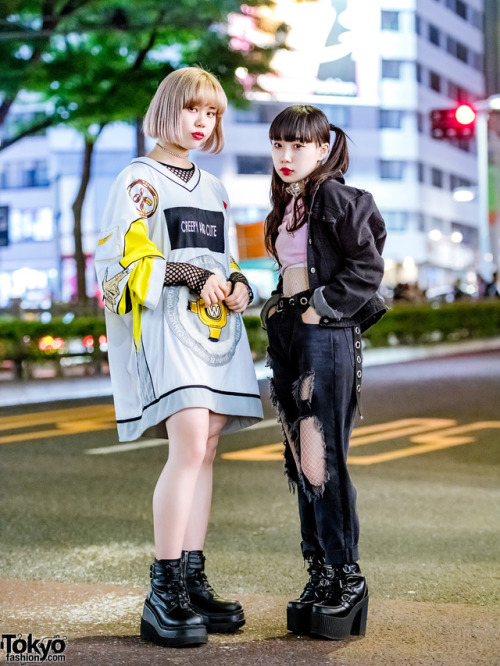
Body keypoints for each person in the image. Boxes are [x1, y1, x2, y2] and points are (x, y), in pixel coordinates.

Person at [95, 67, 263, 648]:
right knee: (191, 442)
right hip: (168, 328)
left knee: (208, 448)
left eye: (212, 113)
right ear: (168, 110)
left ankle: (191, 580)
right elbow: (122, 266)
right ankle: (162, 591)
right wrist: (190, 274)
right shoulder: (139, 180)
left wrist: (241, 286)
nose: (203, 122)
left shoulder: (213, 186)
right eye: (193, 109)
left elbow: (232, 259)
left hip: (216, 331)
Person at [261, 105, 386, 641]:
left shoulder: (335, 196)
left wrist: (322, 305)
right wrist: (279, 306)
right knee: (299, 458)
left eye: (298, 146)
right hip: (291, 334)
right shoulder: (288, 203)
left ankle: (346, 577)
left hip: (325, 335)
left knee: (321, 459)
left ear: (321, 148)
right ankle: (319, 575)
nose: (287, 157)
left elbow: (368, 264)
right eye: (279, 145)